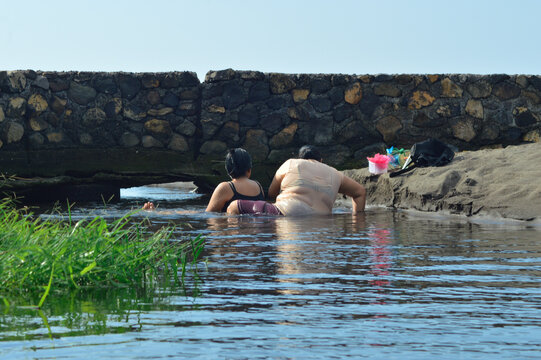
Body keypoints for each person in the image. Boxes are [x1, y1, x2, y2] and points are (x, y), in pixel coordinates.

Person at [227, 145, 366, 216]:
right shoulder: (335, 173)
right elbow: (360, 192)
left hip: (284, 213)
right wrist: (356, 219)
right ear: (322, 161)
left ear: (300, 158)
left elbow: (271, 192)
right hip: (322, 221)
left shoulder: (291, 163)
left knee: (234, 206)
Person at [143, 148, 265, 213]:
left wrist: (160, 214)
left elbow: (208, 214)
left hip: (234, 230)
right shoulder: (258, 186)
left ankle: (155, 212)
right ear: (249, 170)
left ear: (228, 170)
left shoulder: (226, 187)